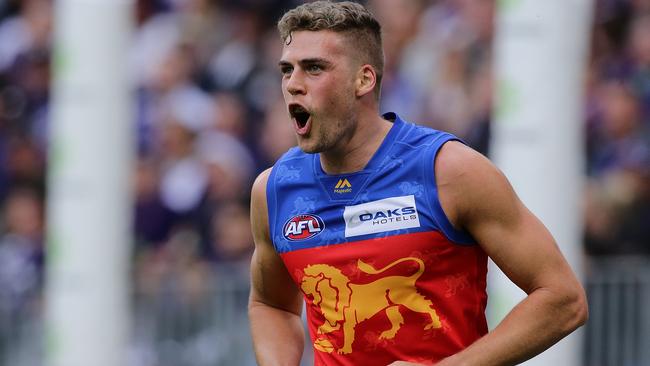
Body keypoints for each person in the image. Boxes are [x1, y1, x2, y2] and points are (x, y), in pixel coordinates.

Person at [248, 1, 588, 365]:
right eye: (287, 70)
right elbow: (271, 304)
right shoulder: (274, 190)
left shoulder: (449, 171)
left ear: (364, 79)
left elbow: (563, 299)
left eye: (314, 68)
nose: (293, 85)